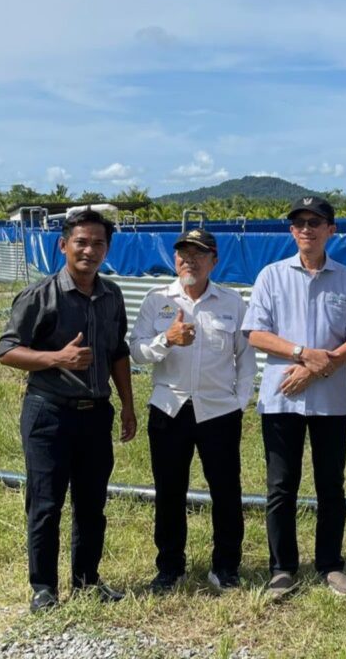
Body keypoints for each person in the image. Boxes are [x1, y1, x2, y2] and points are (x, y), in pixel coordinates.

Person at [0, 209, 136, 613]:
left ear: (107, 249)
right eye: (81, 242)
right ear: (63, 245)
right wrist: (57, 358)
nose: (89, 250)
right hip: (49, 413)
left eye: (98, 243)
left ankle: (87, 580)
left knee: (92, 503)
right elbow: (6, 350)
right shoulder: (40, 295)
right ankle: (43, 588)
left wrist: (127, 405)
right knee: (46, 502)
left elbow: (118, 352)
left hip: (96, 414)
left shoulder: (112, 295)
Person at [242, 196, 346, 599]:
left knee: (330, 485)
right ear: (291, 231)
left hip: (330, 402)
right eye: (299, 223)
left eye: (314, 223)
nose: (306, 229)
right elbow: (255, 333)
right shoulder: (271, 276)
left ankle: (330, 565)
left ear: (331, 230)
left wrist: (318, 366)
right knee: (281, 486)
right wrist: (302, 354)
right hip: (282, 399)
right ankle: (282, 569)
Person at [129, 227, 257, 593]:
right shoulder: (157, 300)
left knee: (226, 492)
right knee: (169, 492)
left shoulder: (232, 302)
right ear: (175, 259)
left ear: (214, 260)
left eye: (199, 254)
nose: (190, 260)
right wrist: (165, 340)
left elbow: (246, 358)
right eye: (183, 254)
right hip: (169, 409)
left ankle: (226, 567)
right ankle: (170, 568)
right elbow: (136, 351)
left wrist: (239, 403)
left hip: (219, 412)